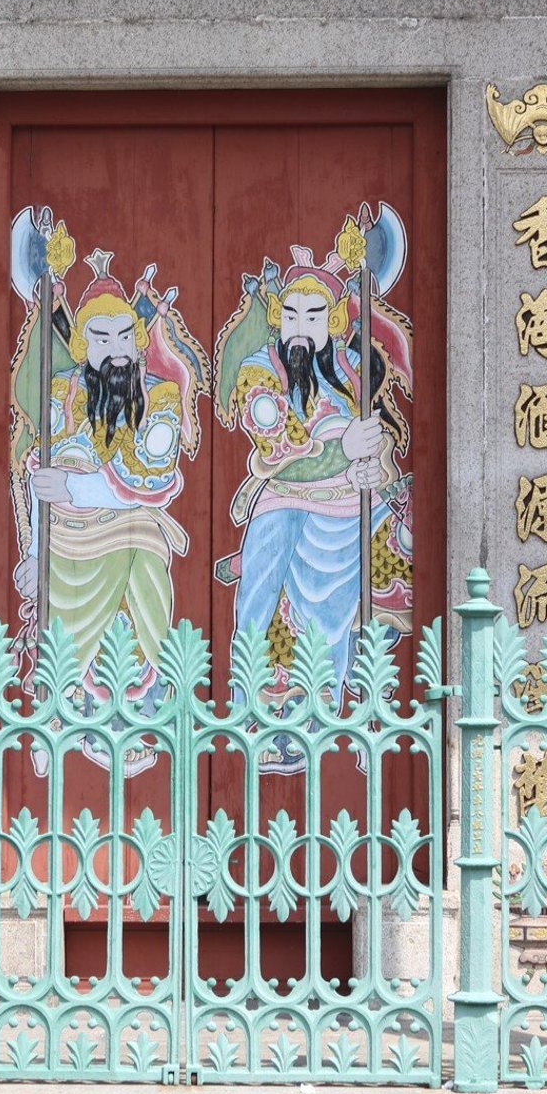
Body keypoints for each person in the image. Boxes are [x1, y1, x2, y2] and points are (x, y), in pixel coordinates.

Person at [214, 223, 412, 769]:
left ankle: (362, 703)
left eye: (315, 316)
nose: (302, 329)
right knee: (263, 609)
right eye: (293, 316)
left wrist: (375, 465)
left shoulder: (351, 373)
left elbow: (374, 446)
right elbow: (278, 449)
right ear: (278, 320)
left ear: (335, 321)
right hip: (286, 503)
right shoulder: (261, 375)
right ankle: (259, 718)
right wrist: (343, 448)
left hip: (349, 514)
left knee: (402, 543)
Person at [12, 248, 209, 773]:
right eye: (101, 338)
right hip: (67, 538)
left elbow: (152, 481)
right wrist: (34, 550)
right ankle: (56, 715)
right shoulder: (63, 396)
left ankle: (155, 719)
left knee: (144, 547)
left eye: (125, 336)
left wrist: (75, 488)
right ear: (82, 346)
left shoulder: (160, 400)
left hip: (131, 530)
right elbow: (40, 479)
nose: (116, 351)